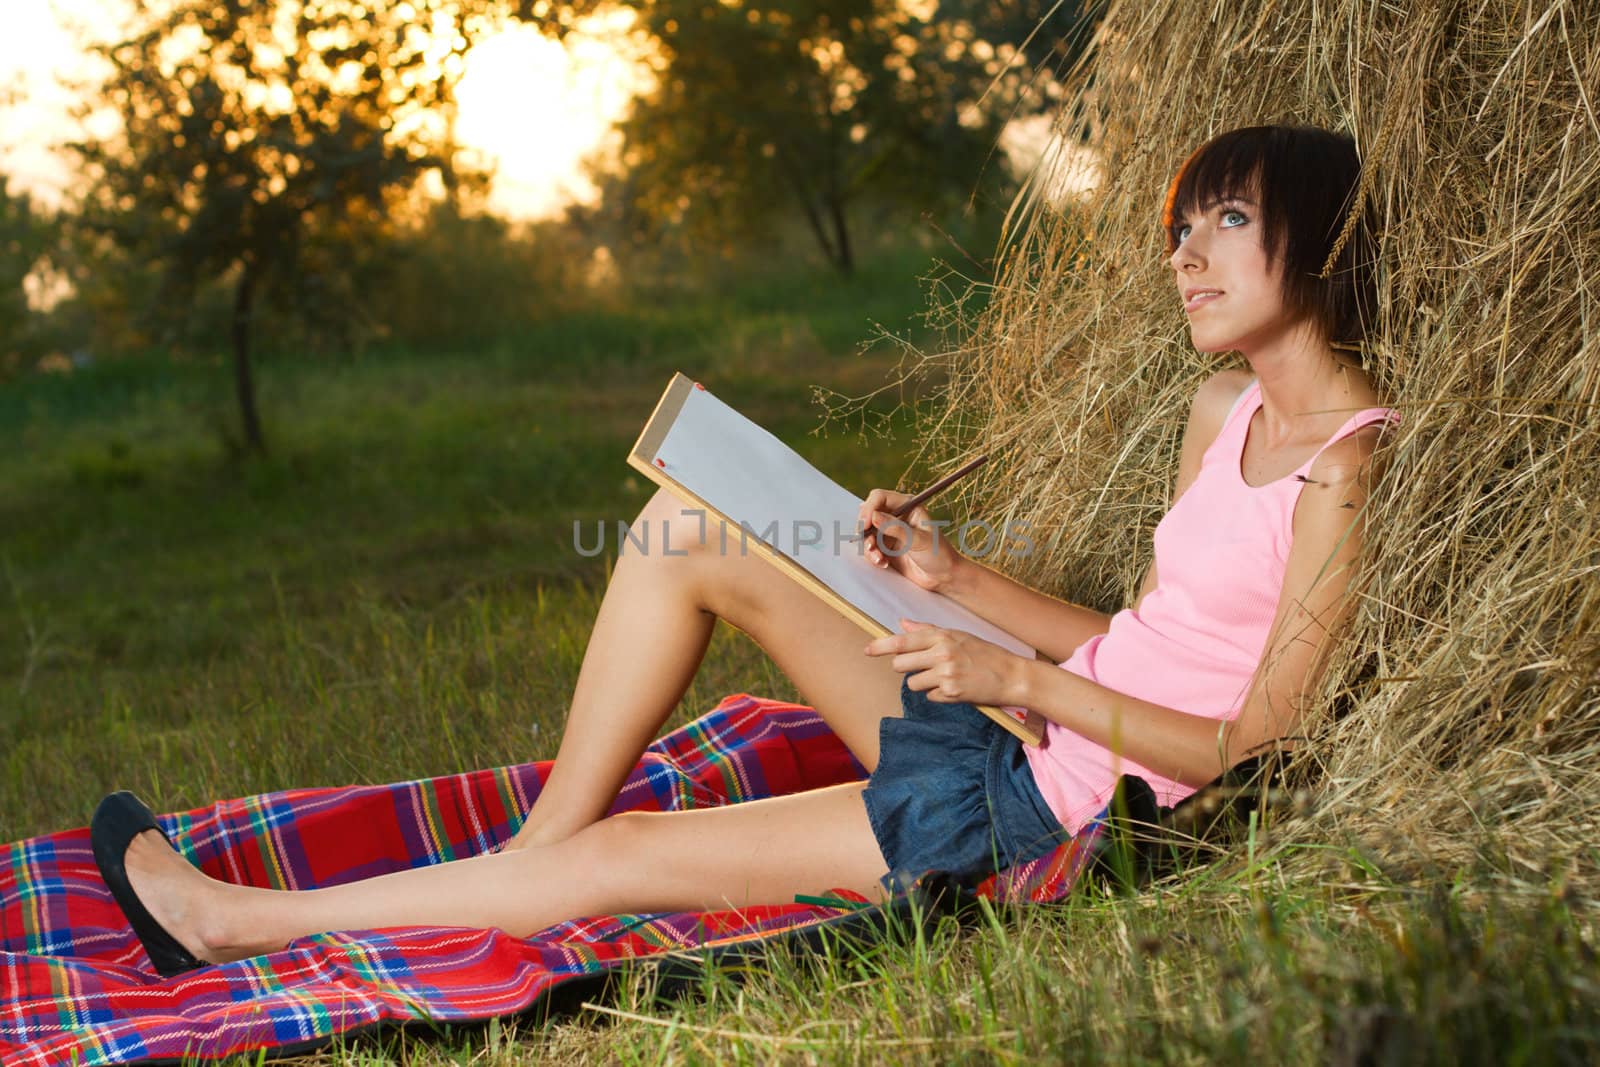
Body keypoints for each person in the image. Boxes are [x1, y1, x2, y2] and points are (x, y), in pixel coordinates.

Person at [92, 125, 1395, 977]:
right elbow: (1147, 632)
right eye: (1179, 225)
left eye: (1224, 220)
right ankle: (536, 848)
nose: (1185, 252)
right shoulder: (1220, 410)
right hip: (1031, 715)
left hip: (1042, 809)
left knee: (616, 871)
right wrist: (957, 581)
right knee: (686, 525)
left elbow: (1254, 748)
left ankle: (228, 923)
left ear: (1319, 237)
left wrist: (1024, 690)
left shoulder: (1346, 464)